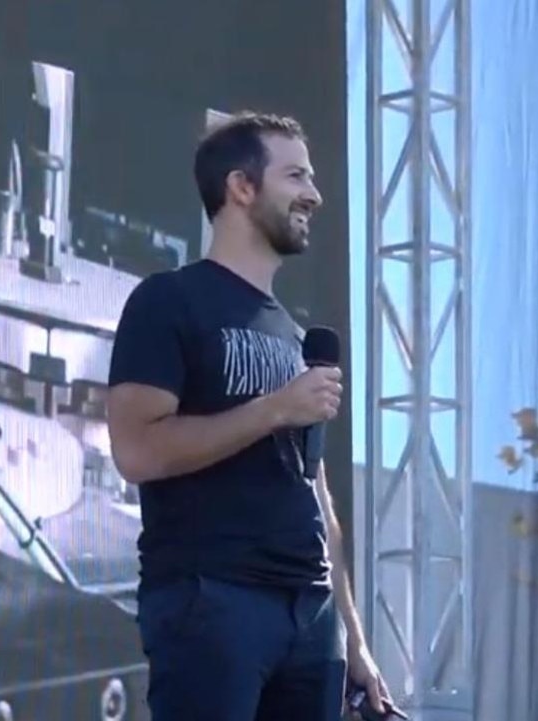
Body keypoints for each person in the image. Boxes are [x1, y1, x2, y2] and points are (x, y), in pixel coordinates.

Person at [106, 112, 392, 720]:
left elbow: (314, 491)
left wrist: (354, 639)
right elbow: (137, 451)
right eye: (296, 176)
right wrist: (273, 409)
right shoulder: (169, 300)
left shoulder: (294, 333)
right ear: (242, 187)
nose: (313, 195)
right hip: (212, 599)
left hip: (311, 619)